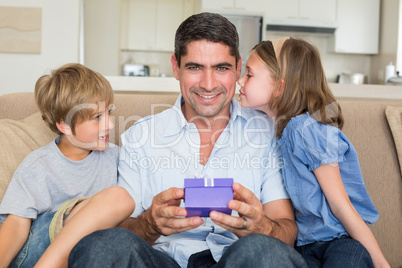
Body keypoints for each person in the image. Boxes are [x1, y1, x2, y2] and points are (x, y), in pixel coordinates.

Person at [68, 13, 307, 268]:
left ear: (238, 67)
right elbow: (124, 228)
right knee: (103, 245)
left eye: (221, 68)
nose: (208, 84)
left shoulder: (266, 133)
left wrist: (264, 229)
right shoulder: (140, 137)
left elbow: (286, 228)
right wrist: (148, 224)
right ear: (175, 67)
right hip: (163, 261)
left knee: (264, 250)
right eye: (194, 67)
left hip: (238, 258)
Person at [237, 37, 390, 268]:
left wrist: (381, 264)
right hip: (306, 246)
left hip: (340, 241)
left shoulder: (306, 130)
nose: (240, 81)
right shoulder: (277, 129)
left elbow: (341, 205)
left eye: (249, 74)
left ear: (280, 86)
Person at [0, 63, 135, 268]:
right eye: (97, 117)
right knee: (118, 198)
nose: (110, 124)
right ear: (64, 125)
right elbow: (16, 225)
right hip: (37, 250)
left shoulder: (116, 157)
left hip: (85, 254)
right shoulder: (39, 165)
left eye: (109, 112)